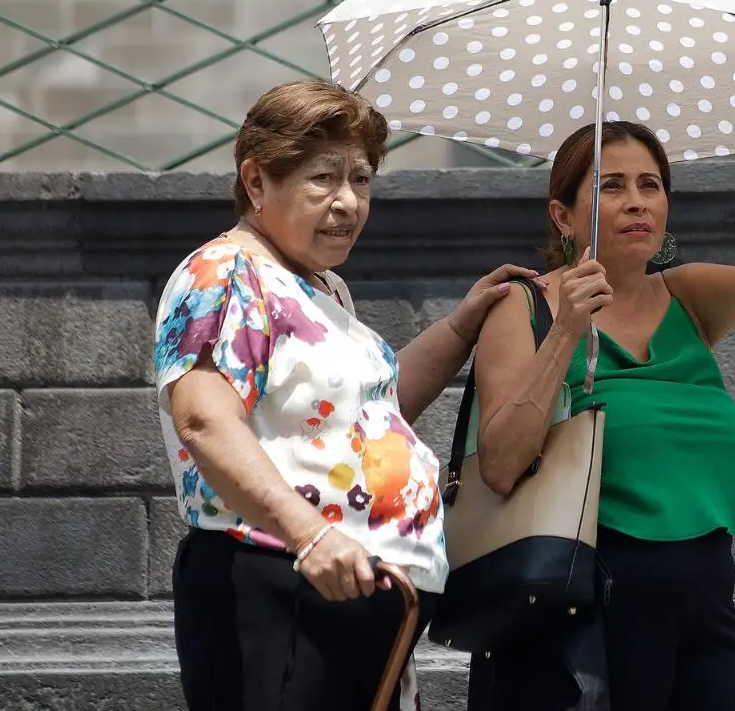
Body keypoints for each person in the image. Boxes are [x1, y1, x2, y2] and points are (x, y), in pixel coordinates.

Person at [468, 120, 735, 711]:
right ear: (563, 215)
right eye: (611, 186)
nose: (636, 202)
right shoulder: (523, 307)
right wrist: (567, 332)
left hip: (705, 595)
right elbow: (498, 464)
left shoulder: (685, 296)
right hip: (590, 598)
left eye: (650, 185)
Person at [153, 78, 544, 711]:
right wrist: (309, 534)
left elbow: (372, 411)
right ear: (256, 183)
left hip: (358, 597)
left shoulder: (323, 289)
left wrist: (461, 326)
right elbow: (203, 419)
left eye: (360, 181)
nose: (347, 203)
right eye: (322, 179)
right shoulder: (226, 273)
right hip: (281, 584)